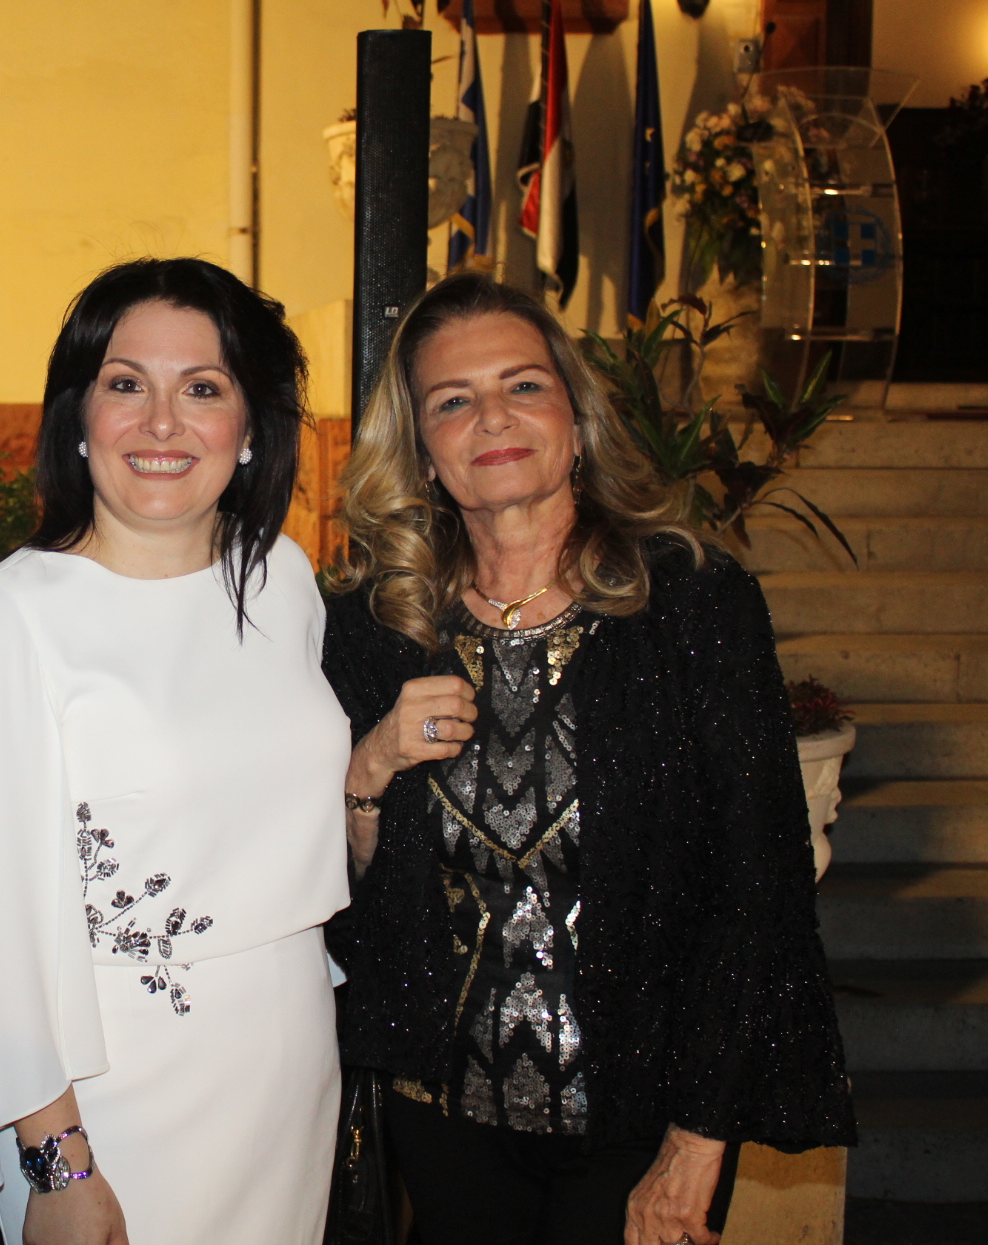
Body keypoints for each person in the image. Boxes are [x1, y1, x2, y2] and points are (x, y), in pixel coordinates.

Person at [322, 272, 855, 1245]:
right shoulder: (378, 627)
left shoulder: (690, 604)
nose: (492, 416)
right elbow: (345, 901)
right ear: (425, 453)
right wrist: (367, 769)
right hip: (441, 1114)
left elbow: (762, 886)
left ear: (576, 420)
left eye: (523, 385)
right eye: (453, 400)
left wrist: (699, 1139)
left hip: (641, 1118)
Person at [0, 258, 352, 1245]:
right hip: (115, 1101)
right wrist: (57, 1163)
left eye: (202, 389)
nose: (162, 423)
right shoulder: (11, 617)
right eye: (127, 384)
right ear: (79, 418)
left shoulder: (283, 577)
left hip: (290, 1062)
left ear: (250, 429)